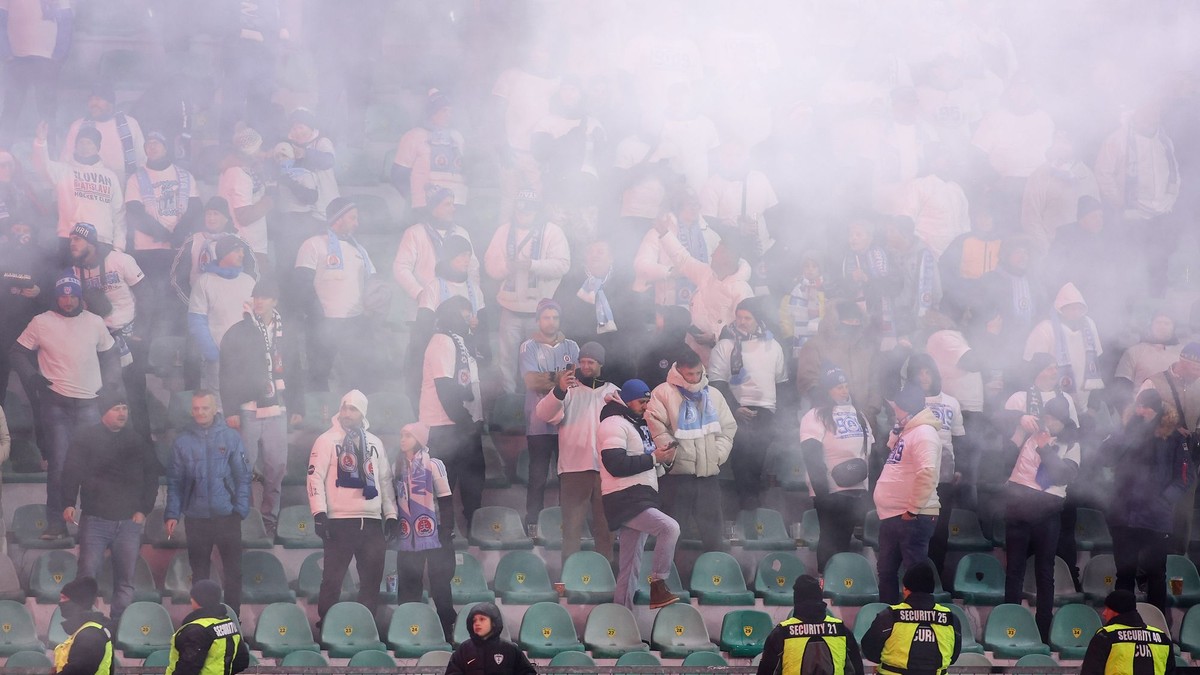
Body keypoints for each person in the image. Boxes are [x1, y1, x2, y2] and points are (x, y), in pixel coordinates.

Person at [12, 272, 122, 540]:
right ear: (56, 297)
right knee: (59, 465)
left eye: (73, 295)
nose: (68, 300)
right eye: (63, 295)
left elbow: (112, 355)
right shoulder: (41, 322)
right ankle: (56, 523)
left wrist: (109, 386)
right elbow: (17, 351)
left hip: (89, 402)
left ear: (79, 296)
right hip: (56, 403)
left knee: (94, 464)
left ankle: (94, 523)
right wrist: (32, 377)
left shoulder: (95, 322)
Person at [61, 391, 158, 622]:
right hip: (95, 520)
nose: (122, 412)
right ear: (104, 411)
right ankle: (83, 624)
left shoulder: (136, 440)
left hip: (128, 523)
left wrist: (143, 510)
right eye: (117, 408)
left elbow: (151, 476)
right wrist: (68, 502)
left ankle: (117, 628)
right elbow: (71, 472)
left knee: (125, 582)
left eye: (125, 408)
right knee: (86, 578)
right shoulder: (86, 438)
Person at [219, 276, 304, 537]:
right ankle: (246, 516)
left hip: (277, 407)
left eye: (264, 297)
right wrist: (231, 409)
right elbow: (227, 373)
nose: (258, 301)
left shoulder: (285, 331)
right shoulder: (238, 330)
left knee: (276, 466)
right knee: (243, 466)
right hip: (247, 407)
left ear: (274, 301)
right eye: (255, 296)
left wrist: (297, 405)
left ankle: (269, 517)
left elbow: (296, 370)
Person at [1102, 389, 1194, 620]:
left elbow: (1184, 478)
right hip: (1123, 516)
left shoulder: (1174, 438)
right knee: (1124, 573)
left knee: (1155, 575)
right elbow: (1105, 457)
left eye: (1145, 407)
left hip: (1155, 519)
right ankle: (1120, 624)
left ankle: (1157, 625)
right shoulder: (1125, 431)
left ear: (1156, 410)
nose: (1140, 411)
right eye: (1138, 406)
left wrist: (1162, 501)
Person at [307, 389, 397, 624]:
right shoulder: (326, 440)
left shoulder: (375, 443)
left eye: (353, 409)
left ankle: (365, 625)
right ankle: (327, 625)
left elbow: (385, 481)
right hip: (339, 521)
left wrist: (391, 514)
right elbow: (314, 477)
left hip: (372, 522)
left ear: (362, 413)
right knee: (332, 580)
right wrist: (319, 513)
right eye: (344, 407)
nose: (347, 413)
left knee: (371, 580)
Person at [1002, 395, 1080, 641]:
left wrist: (1046, 448)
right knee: (1013, 570)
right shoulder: (1030, 431)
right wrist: (1018, 422)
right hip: (1018, 506)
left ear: (1063, 420)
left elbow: (1062, 476)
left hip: (1047, 513)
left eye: (1053, 419)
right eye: (1046, 417)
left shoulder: (1072, 444)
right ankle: (1009, 626)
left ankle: (1043, 631)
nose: (1048, 423)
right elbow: (1003, 454)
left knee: (1045, 573)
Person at [165, 390, 250, 616]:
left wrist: (240, 510)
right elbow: (175, 482)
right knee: (200, 573)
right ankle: (203, 618)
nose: (200, 412)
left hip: (227, 516)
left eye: (205, 408)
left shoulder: (231, 437)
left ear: (215, 409)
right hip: (196, 517)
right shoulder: (182, 442)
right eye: (196, 409)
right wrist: (172, 513)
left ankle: (232, 618)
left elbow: (243, 477)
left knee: (234, 573)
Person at [598, 378, 680, 609]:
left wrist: (663, 461)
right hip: (624, 498)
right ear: (627, 400)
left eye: (647, 401)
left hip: (640, 495)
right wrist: (654, 458)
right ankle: (659, 585)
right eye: (641, 401)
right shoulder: (613, 423)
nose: (646, 406)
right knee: (669, 527)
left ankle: (623, 620)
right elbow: (615, 464)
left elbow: (644, 464)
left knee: (630, 567)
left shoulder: (637, 424)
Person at [645, 347, 737, 552]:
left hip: (708, 476)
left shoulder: (713, 394)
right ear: (679, 371)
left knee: (714, 535)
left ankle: (717, 577)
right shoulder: (663, 393)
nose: (695, 378)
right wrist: (673, 454)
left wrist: (718, 455)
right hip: (677, 477)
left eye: (698, 373)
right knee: (673, 534)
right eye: (689, 374)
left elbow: (728, 428)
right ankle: (670, 580)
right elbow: (656, 427)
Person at [535, 341, 618, 563]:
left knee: (606, 531)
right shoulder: (569, 390)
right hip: (574, 469)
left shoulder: (613, 392)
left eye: (590, 362)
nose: (585, 366)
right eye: (582, 362)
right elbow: (542, 413)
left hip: (606, 470)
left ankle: (606, 579)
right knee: (571, 531)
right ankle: (568, 581)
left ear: (601, 364)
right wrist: (559, 389)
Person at [483, 188, 571, 394]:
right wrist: (508, 268)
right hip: (510, 308)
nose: (524, 213)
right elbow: (490, 264)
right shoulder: (504, 231)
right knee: (506, 360)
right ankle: (508, 400)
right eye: (520, 208)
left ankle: (540, 402)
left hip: (539, 312)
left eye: (529, 209)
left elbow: (562, 265)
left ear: (537, 210)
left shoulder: (552, 231)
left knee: (541, 360)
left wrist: (532, 264)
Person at [709, 297, 787, 510]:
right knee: (742, 460)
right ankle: (748, 506)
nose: (742, 322)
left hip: (765, 411)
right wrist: (734, 408)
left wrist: (780, 417)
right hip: (736, 411)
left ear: (757, 319)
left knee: (759, 462)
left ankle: (756, 508)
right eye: (739, 317)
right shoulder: (725, 346)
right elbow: (717, 383)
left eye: (747, 318)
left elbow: (781, 383)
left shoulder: (773, 346)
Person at [295, 196, 378, 391]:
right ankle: (321, 420)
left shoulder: (360, 250)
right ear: (339, 218)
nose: (357, 223)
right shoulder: (313, 244)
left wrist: (373, 308)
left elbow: (373, 284)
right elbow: (302, 285)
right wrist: (319, 318)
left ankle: (356, 419)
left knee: (359, 378)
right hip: (322, 324)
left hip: (355, 324)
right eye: (353, 218)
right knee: (319, 377)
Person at [419, 296, 486, 528]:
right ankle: (441, 542)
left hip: (466, 425)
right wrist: (465, 422)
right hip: (446, 426)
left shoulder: (462, 341)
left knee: (473, 484)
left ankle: (473, 535)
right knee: (443, 490)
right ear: (453, 315)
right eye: (466, 314)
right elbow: (445, 387)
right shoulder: (442, 341)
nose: (471, 319)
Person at [126, 130, 200, 336]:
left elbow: (195, 208)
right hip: (147, 251)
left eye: (157, 142)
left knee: (176, 298)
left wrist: (178, 234)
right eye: (149, 143)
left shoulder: (185, 176)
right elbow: (133, 211)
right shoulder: (136, 178)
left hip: (179, 250)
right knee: (149, 300)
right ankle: (146, 352)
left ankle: (172, 350)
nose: (152, 146)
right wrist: (164, 234)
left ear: (166, 148)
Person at [801, 364, 872, 573]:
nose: (844, 390)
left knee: (845, 540)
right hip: (830, 490)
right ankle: (825, 582)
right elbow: (811, 455)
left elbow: (869, 451)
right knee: (830, 538)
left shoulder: (859, 413)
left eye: (845, 385)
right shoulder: (814, 416)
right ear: (826, 390)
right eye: (838, 387)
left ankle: (841, 582)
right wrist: (823, 494)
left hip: (856, 488)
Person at [874, 385, 941, 604]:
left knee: (915, 576)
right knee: (886, 571)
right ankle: (890, 619)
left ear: (908, 410)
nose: (896, 415)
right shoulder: (910, 431)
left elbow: (928, 473)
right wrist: (896, 429)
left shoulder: (924, 433)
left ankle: (916, 622)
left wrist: (912, 510)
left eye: (898, 411)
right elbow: (892, 450)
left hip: (913, 515)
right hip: (893, 515)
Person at [391, 422, 456, 638]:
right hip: (408, 532)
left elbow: (446, 500)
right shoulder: (397, 466)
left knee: (439, 580)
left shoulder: (433, 464)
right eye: (401, 434)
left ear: (419, 439)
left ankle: (447, 627)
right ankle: (408, 627)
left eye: (408, 435)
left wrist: (446, 530)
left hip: (434, 530)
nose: (402, 439)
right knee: (409, 578)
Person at [519, 299, 578, 531]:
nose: (551, 322)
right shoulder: (528, 346)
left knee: (568, 477)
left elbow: (575, 381)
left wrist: (552, 378)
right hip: (538, 423)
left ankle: (568, 525)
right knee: (538, 476)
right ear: (538, 320)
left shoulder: (572, 346)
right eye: (546, 317)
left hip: (567, 422)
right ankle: (533, 524)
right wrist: (561, 379)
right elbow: (532, 381)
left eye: (555, 317)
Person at [33, 120, 126, 254]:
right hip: (70, 239)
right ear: (75, 146)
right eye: (81, 142)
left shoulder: (110, 176)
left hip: (102, 241)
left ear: (97, 148)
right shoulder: (63, 170)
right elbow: (41, 167)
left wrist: (118, 247)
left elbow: (119, 214)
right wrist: (40, 142)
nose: (85, 146)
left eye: (89, 143)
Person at [861, 561, 962, 675]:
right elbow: (953, 656)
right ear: (932, 589)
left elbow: (869, 651)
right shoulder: (950, 618)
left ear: (905, 588)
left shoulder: (890, 616)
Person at [187, 235, 255, 398]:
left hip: (246, 357)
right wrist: (212, 354)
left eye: (242, 251)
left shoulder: (249, 281)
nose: (242, 255)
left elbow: (256, 319)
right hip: (219, 358)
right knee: (219, 402)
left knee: (247, 400)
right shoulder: (205, 282)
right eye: (237, 250)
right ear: (224, 253)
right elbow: (197, 321)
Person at [757, 575, 863, 675]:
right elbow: (857, 671)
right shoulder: (841, 630)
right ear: (819, 598)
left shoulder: (782, 633)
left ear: (796, 599)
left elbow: (765, 672)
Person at [1024, 282, 1105, 412]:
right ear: (1060, 308)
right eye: (1071, 308)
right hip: (1053, 408)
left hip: (1085, 405)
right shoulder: (1045, 329)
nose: (1076, 312)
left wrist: (1093, 406)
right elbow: (1033, 370)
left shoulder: (1090, 326)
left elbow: (1097, 364)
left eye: (1079, 308)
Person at [0, 0, 73, 145]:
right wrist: (6, 54)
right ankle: (3, 152)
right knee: (11, 109)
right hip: (17, 59)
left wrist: (58, 57)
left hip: (47, 61)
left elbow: (66, 25)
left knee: (47, 112)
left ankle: (50, 154)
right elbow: (1, 22)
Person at [164, 579, 250, 675]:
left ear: (194, 600)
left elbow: (187, 669)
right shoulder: (229, 624)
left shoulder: (196, 630)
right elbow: (242, 661)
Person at [1080, 590, 1175, 675]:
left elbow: (1090, 671)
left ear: (1116, 611)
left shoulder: (1106, 636)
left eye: (1108, 608)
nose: (1104, 613)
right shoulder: (1161, 638)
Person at [217, 127, 271, 263]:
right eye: (260, 147)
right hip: (246, 245)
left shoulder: (237, 169)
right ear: (252, 151)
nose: (262, 152)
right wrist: (269, 199)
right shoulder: (239, 173)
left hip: (246, 243)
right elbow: (244, 216)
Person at [445, 602, 537, 675]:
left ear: (493, 622)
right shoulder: (464, 649)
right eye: (474, 620)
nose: (477, 623)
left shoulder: (510, 649)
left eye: (482, 619)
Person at [53, 577, 115, 675]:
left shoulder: (92, 635)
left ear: (77, 602)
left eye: (64, 598)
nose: (60, 602)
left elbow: (78, 671)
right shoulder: (82, 630)